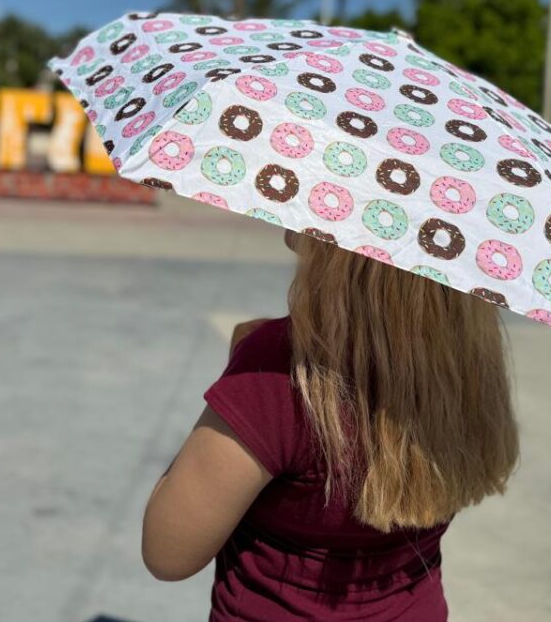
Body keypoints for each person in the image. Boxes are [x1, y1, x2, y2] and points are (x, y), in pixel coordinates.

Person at [142, 230, 519, 620]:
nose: (289, 236)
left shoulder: (280, 369)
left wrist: (240, 387)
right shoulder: (471, 363)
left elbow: (168, 552)